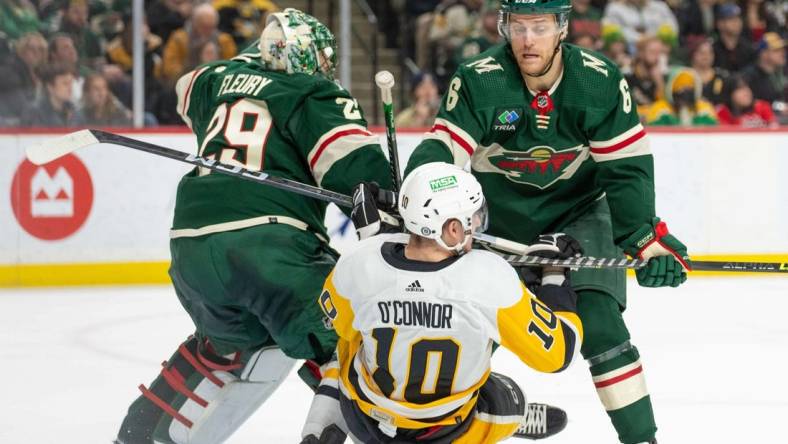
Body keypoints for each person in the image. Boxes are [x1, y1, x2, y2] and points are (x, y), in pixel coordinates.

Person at [355, 1, 691, 443]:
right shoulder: (479, 79)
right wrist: (418, 193)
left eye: (540, 26)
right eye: (518, 27)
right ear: (504, 27)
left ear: (561, 28)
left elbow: (626, 168)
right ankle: (493, 414)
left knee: (600, 323)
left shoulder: (599, 79)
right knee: (454, 326)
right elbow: (444, 148)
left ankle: (642, 438)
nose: (528, 39)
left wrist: (644, 238)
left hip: (579, 213)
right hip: (495, 219)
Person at [114, 8, 394, 444]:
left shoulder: (214, 80)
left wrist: (261, 57)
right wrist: (392, 196)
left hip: (191, 252)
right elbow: (357, 167)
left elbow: (183, 87)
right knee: (348, 332)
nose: (324, 71)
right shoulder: (313, 92)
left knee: (226, 346)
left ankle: (140, 433)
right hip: (270, 250)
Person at [302, 162, 582, 443]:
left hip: (365, 419)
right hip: (448, 432)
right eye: (472, 218)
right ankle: (509, 421)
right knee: (510, 398)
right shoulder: (489, 277)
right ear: (452, 229)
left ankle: (319, 427)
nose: (477, 224)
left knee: (349, 344)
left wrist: (376, 239)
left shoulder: (358, 262)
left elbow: (340, 321)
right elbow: (559, 355)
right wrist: (554, 277)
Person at [161, 3, 237, 84]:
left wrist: (215, 64)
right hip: (186, 83)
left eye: (211, 27)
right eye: (204, 27)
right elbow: (170, 69)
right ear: (195, 23)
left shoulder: (224, 41)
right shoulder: (179, 39)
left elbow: (232, 68)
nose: (208, 31)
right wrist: (197, 69)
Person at [644, 67, 719, 126]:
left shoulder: (705, 110)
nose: (685, 92)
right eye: (680, 88)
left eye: (689, 88)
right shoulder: (659, 109)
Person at [21, 62, 81, 127]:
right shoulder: (34, 112)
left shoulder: (74, 111)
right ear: (50, 87)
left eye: (71, 83)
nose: (70, 88)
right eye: (65, 83)